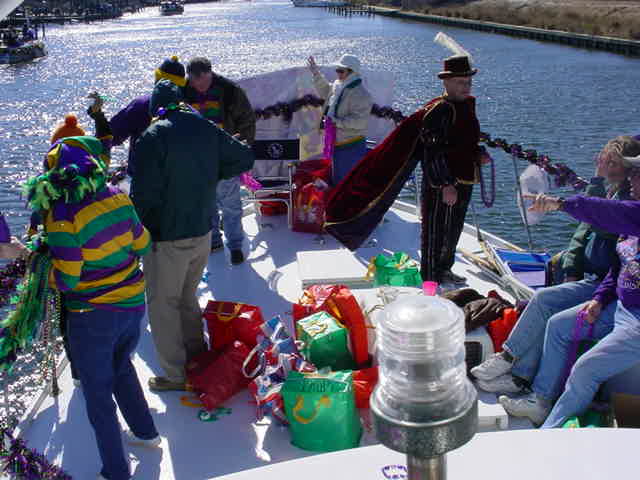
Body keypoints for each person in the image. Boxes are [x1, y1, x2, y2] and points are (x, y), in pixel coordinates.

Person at [19, 95, 160, 480]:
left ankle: (116, 471)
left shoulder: (62, 214)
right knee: (122, 367)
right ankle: (146, 433)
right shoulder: (117, 197)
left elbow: (68, 277)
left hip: (92, 314)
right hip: (133, 305)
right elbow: (143, 244)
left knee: (98, 397)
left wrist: (38, 266)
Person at [471, 136, 635, 395]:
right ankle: (510, 361)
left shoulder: (627, 201)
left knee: (547, 307)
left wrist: (593, 183)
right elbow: (583, 231)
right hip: (592, 277)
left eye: (613, 163)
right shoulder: (613, 191)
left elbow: (600, 224)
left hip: (607, 285)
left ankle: (518, 373)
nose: (607, 166)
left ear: (629, 168)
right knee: (543, 299)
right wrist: (571, 269)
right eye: (606, 161)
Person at [495, 154, 640, 427]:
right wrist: (599, 299)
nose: (632, 178)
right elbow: (621, 266)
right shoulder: (631, 224)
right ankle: (540, 400)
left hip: (636, 321)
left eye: (638, 173)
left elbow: (605, 211)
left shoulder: (634, 215)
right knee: (559, 325)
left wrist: (560, 203)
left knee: (586, 369)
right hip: (618, 307)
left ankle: (551, 432)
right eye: (631, 172)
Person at [132, 80, 254, 391]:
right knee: (187, 299)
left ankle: (175, 376)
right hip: (202, 232)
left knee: (163, 306)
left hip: (166, 237)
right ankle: (198, 358)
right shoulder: (205, 127)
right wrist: (210, 174)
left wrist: (134, 236)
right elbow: (244, 158)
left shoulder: (152, 137)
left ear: (156, 108)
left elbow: (143, 196)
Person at [417, 55, 489, 285]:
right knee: (435, 231)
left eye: (468, 82)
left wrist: (478, 153)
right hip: (443, 183)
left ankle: (445, 269)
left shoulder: (466, 105)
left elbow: (463, 140)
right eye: (460, 82)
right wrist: (445, 184)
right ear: (446, 82)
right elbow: (431, 151)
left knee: (454, 229)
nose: (466, 87)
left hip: (464, 179)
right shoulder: (440, 110)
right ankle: (430, 278)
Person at [182, 57, 256, 264]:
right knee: (206, 204)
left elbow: (247, 120)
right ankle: (213, 241)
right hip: (196, 160)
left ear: (210, 73)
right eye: (194, 81)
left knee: (231, 203)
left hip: (225, 157)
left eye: (202, 80)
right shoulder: (182, 92)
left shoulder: (230, 91)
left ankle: (235, 245)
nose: (198, 85)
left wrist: (241, 148)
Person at [107, 56, 186, 184]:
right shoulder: (191, 110)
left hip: (142, 180)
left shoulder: (142, 104)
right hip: (180, 181)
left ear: (157, 79)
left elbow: (111, 135)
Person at [307, 54, 373, 185]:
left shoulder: (361, 94)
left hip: (350, 145)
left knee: (347, 183)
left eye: (341, 71)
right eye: (337, 70)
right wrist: (316, 74)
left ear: (352, 72)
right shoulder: (339, 86)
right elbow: (326, 91)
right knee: (339, 180)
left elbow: (360, 122)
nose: (337, 73)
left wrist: (336, 122)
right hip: (337, 143)